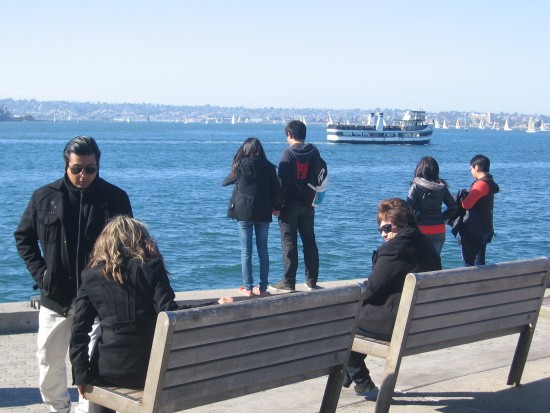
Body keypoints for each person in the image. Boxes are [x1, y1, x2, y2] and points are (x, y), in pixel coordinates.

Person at [14, 136, 133, 413]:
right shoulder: (44, 197)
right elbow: (23, 238)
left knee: (93, 363)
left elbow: (127, 247)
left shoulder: (115, 199)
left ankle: (87, 410)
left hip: (98, 300)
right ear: (66, 165)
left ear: (98, 166)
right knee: (48, 361)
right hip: (56, 296)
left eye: (90, 169)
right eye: (77, 168)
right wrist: (42, 274)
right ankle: (59, 408)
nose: (83, 175)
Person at [70, 216, 233, 413]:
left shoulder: (90, 278)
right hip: (149, 369)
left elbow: (79, 331)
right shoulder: (152, 267)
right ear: (140, 240)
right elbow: (170, 312)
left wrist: (80, 375)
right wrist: (213, 303)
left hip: (108, 370)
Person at [344, 198, 441, 398]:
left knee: (340, 322)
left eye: (388, 228)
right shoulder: (426, 244)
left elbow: (371, 289)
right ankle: (347, 373)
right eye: (380, 230)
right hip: (422, 323)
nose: (384, 234)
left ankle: (362, 383)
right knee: (354, 325)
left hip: (396, 324)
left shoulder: (393, 250)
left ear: (402, 223)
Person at [222, 137, 281, 297]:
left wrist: (237, 158)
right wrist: (276, 208)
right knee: (263, 251)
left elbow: (226, 182)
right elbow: (276, 191)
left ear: (245, 150)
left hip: (243, 212)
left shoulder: (240, 166)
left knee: (246, 251)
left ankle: (248, 288)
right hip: (263, 212)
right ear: (260, 150)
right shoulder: (269, 168)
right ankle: (262, 288)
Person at [269, 120, 321, 292]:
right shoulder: (314, 152)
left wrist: (276, 206)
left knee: (289, 243)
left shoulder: (287, 155)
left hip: (289, 206)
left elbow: (281, 184)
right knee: (310, 242)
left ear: (289, 135)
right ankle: (312, 281)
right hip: (308, 204)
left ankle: (289, 281)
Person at [406, 156, 457, 255]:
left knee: (420, 262)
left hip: (421, 228)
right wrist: (442, 217)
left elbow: (407, 208)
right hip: (439, 228)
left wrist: (414, 219)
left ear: (419, 169)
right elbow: (453, 207)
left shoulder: (416, 185)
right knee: (435, 261)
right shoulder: (442, 187)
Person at [458, 154, 500, 266]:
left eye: (470, 168)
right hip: (485, 227)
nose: (470, 171)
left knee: (471, 264)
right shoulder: (489, 183)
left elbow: (466, 204)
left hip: (475, 230)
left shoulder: (480, 184)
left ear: (477, 167)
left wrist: (462, 196)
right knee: (480, 261)